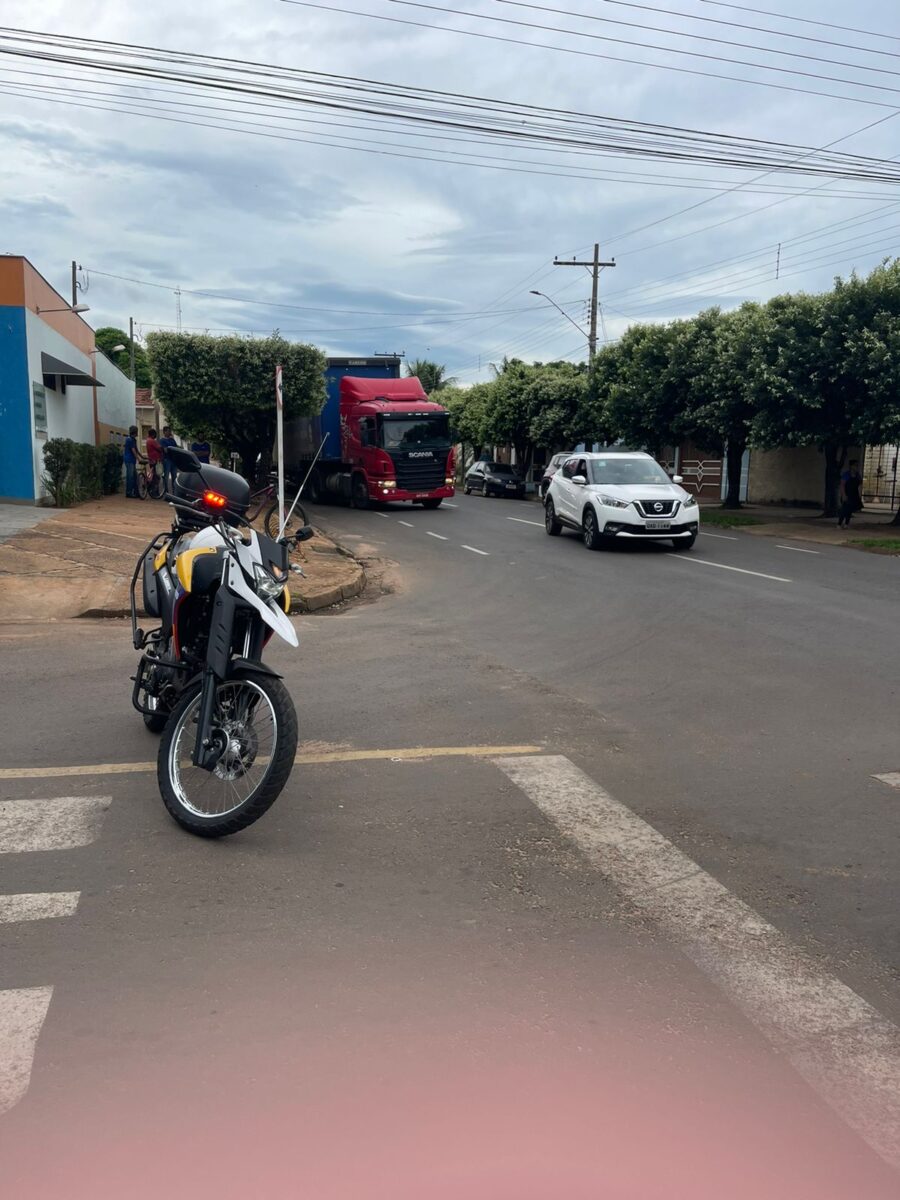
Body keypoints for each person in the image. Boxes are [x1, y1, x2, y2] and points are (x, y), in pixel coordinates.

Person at [838, 459, 863, 529]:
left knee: (850, 510)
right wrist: (843, 495)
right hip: (847, 494)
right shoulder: (846, 475)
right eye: (855, 465)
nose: (857, 467)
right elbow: (842, 485)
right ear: (851, 466)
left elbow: (859, 484)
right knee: (844, 510)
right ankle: (839, 524)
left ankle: (846, 524)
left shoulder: (857, 475)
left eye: (857, 466)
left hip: (854, 495)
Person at [123, 425, 146, 498]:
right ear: (134, 432)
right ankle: (129, 493)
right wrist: (139, 459)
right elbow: (133, 451)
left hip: (132, 460)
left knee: (135, 477)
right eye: (137, 431)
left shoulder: (133, 440)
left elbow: (136, 450)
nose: (137, 433)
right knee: (130, 477)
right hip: (129, 460)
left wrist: (142, 456)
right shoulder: (129, 439)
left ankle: (136, 492)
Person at [159, 426, 177, 492]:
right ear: (164, 432)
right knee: (166, 476)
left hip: (174, 460)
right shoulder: (162, 440)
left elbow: (176, 449)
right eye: (168, 431)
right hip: (167, 460)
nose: (169, 432)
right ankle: (166, 491)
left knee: (174, 477)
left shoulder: (172, 440)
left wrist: (170, 449)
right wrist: (171, 450)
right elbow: (165, 450)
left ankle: (175, 491)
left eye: (170, 431)